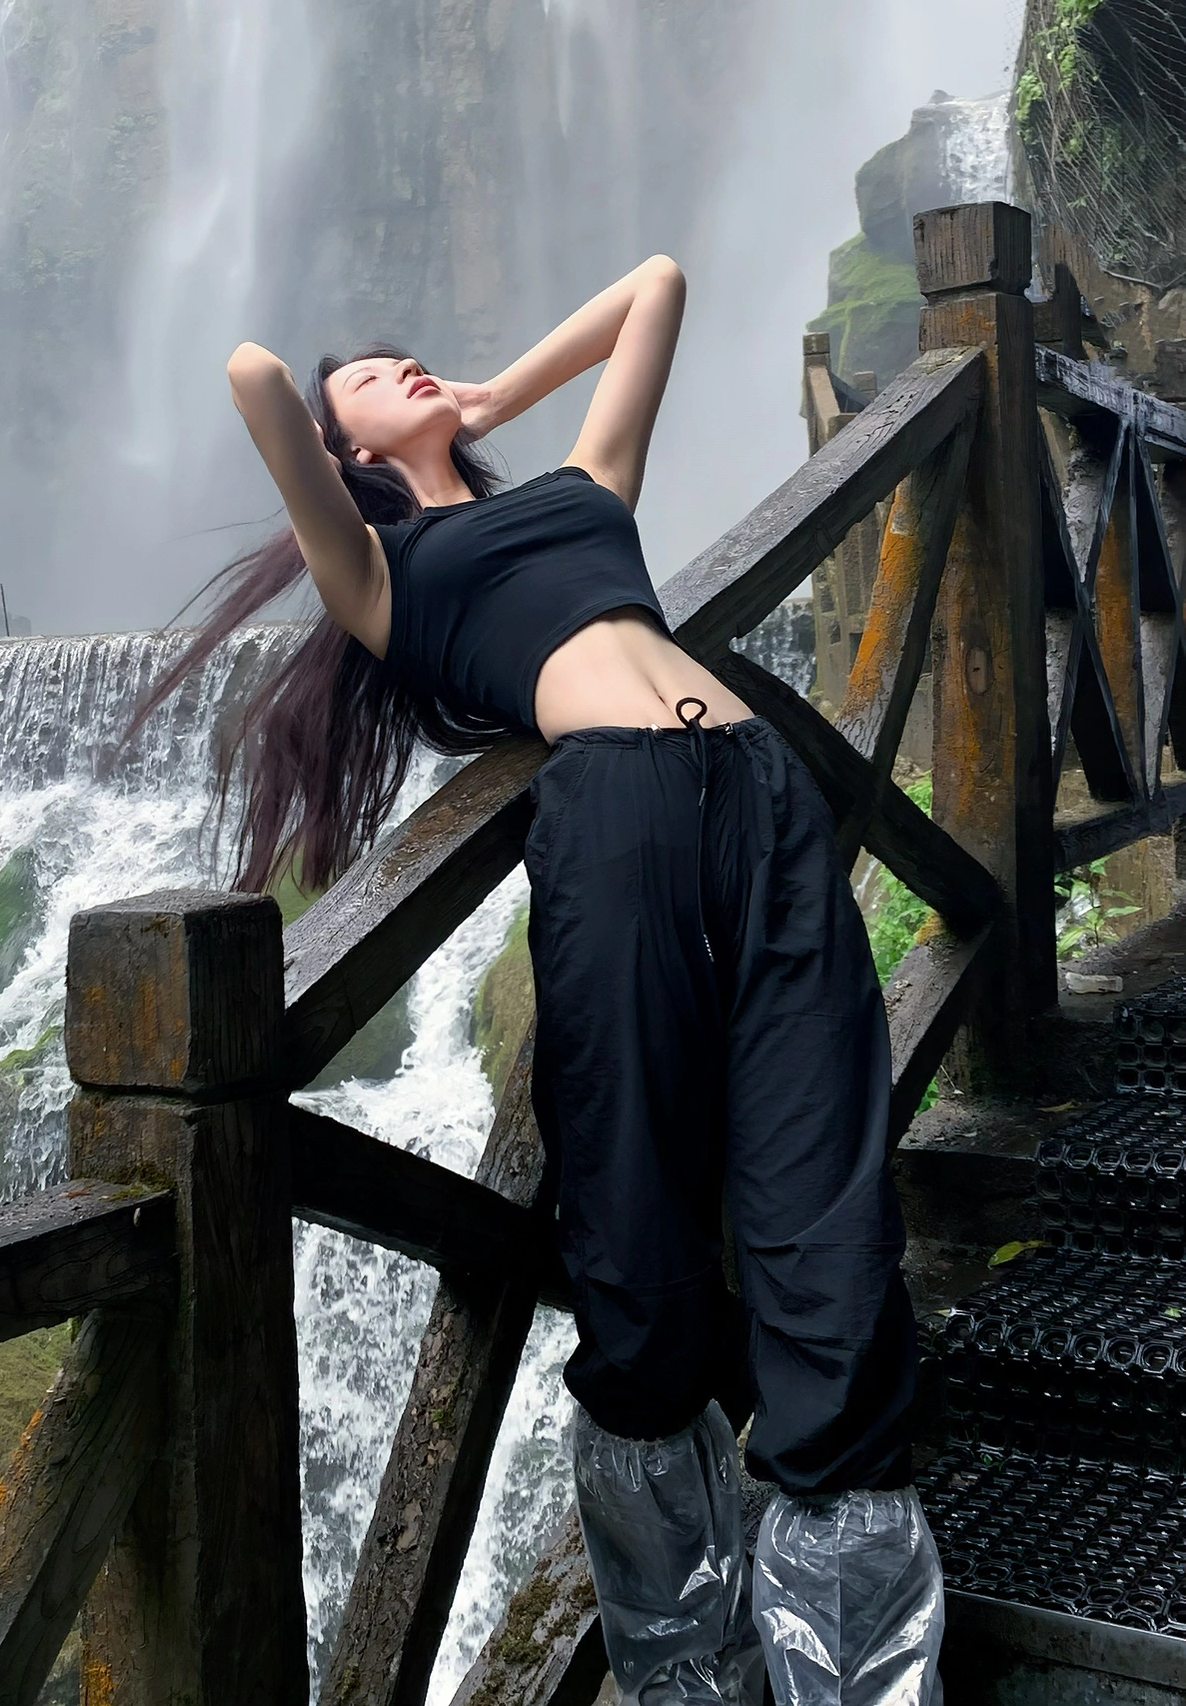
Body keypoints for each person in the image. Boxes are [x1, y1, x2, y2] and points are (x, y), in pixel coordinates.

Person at [132, 257, 945, 1706]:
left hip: (758, 790)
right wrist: (338, 425)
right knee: (630, 1227)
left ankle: (867, 1679)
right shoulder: (376, 580)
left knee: (827, 1189)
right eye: (376, 378)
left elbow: (659, 287)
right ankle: (689, 1672)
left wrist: (493, 392)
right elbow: (259, 377)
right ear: (346, 451)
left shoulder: (583, 490)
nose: (410, 369)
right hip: (612, 819)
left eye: (408, 357)